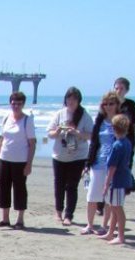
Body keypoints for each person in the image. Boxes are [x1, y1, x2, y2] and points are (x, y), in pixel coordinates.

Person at [46, 87, 93, 226]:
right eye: (69, 98)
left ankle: (69, 215)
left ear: (79, 101)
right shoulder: (60, 114)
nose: (71, 101)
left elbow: (91, 135)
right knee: (59, 184)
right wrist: (58, 131)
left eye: (74, 99)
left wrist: (77, 133)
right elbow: (49, 133)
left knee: (72, 186)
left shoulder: (84, 116)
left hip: (78, 156)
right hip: (59, 155)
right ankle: (58, 211)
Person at [0, 91, 36, 229]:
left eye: (18, 103)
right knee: (3, 188)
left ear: (23, 104)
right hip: (4, 158)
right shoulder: (6, 118)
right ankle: (5, 218)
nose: (16, 106)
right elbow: (1, 139)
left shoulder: (27, 120)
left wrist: (29, 164)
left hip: (20, 161)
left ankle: (20, 219)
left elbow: (32, 143)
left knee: (19, 189)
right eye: (13, 103)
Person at [81, 92, 121, 235]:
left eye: (111, 103)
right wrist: (87, 163)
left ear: (117, 105)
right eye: (106, 104)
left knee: (109, 198)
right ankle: (90, 225)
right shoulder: (99, 121)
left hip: (112, 164)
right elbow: (93, 143)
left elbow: (125, 141)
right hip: (97, 162)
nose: (108, 107)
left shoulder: (120, 121)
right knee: (92, 195)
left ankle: (105, 225)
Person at [101, 114, 133, 245]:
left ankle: (120, 236)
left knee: (117, 208)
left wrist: (106, 184)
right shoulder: (126, 142)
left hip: (118, 181)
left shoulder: (118, 145)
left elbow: (112, 168)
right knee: (114, 207)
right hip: (122, 179)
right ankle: (110, 233)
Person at [114, 77, 135, 166]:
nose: (118, 91)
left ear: (126, 90)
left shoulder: (131, 104)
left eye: (121, 89)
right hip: (113, 140)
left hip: (128, 140)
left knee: (126, 168)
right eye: (116, 88)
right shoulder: (110, 104)